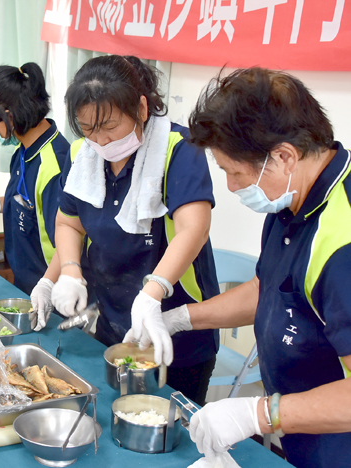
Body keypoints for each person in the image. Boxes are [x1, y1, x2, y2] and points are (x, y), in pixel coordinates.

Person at [145, 67, 351, 468]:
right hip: (303, 439)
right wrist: (181, 318)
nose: (233, 187)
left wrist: (258, 414)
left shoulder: (342, 244)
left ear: (284, 156)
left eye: (234, 172)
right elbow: (268, 289)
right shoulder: (295, 195)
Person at [51, 56, 219, 406]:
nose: (100, 140)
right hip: (111, 323)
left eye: (109, 126)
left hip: (174, 329)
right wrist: (68, 272)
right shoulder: (83, 154)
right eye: (87, 128)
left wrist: (152, 292)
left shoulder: (178, 149)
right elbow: (69, 221)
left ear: (141, 108)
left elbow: (194, 229)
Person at [0, 63, 71, 329]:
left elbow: (69, 235)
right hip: (27, 285)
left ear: (8, 114)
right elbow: (28, 202)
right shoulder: (24, 150)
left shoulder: (54, 163)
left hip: (51, 294)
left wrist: (47, 284)